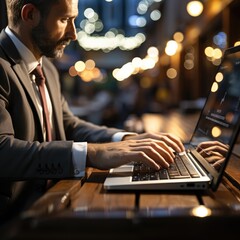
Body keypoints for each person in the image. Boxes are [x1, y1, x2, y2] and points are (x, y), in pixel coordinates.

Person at [0, 0, 184, 218]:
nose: (74, 33)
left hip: (55, 201)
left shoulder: (46, 67)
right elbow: (3, 152)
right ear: (30, 15)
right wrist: (93, 153)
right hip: (14, 218)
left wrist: (123, 140)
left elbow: (68, 125)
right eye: (65, 20)